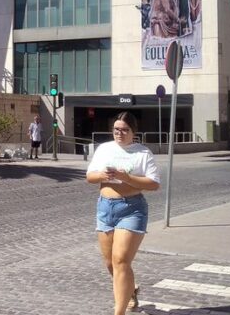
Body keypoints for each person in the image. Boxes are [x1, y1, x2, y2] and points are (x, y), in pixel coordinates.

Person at [86, 112, 161, 315]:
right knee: (111, 263)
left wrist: (125, 177)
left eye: (124, 130)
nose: (119, 133)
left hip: (132, 209)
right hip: (105, 207)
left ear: (133, 132)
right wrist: (102, 175)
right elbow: (90, 176)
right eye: (116, 129)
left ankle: (118, 312)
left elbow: (154, 184)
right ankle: (131, 291)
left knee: (121, 260)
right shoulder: (104, 149)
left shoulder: (142, 153)